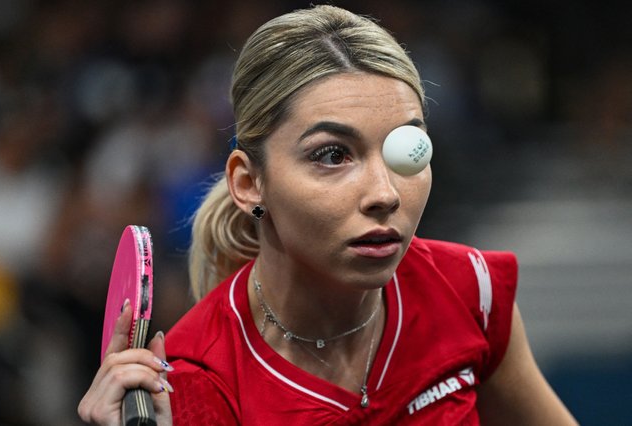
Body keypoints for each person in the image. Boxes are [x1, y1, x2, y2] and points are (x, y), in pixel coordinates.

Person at [78, 5, 578, 425]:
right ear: (249, 182)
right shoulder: (194, 385)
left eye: (405, 150)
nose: (384, 194)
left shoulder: (471, 291)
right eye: (332, 155)